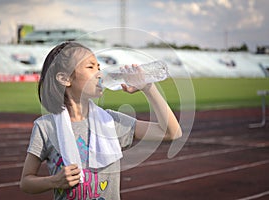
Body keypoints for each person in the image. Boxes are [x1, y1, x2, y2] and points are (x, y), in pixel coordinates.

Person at [20, 41, 182, 200]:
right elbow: (26, 182)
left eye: (99, 67)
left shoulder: (111, 121)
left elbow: (171, 132)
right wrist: (54, 181)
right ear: (65, 79)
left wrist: (148, 88)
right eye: (90, 67)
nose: (99, 73)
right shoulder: (45, 127)